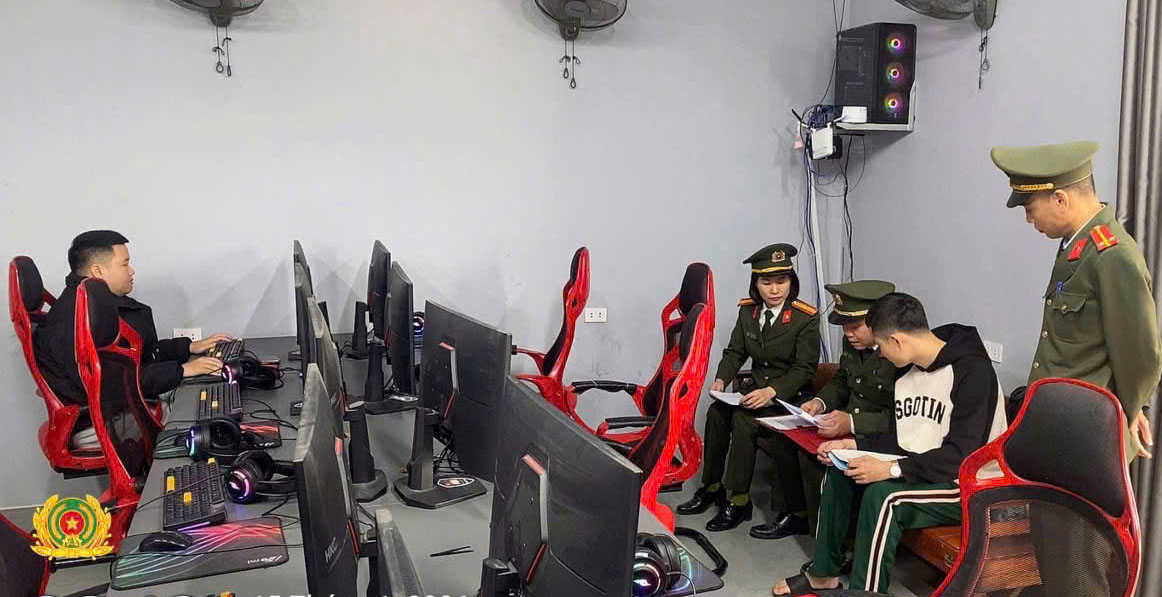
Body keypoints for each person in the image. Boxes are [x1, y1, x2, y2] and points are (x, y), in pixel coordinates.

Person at [992, 140, 1162, 595]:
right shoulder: (1077, 248)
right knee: (1055, 561)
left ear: (1061, 198)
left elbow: (1142, 353)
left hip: (1087, 443)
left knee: (1078, 569)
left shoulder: (1113, 255)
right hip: (1061, 436)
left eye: (1031, 209)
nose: (1029, 220)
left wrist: (1127, 411)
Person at [772, 293, 1007, 595]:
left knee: (885, 497)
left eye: (881, 347)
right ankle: (824, 573)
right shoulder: (907, 370)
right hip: (923, 469)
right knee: (840, 472)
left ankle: (866, 593)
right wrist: (854, 445)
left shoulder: (972, 372)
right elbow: (903, 437)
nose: (880, 356)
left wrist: (892, 469)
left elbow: (962, 456)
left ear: (897, 340)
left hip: (970, 484)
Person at [34, 231, 229, 447]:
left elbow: (134, 356)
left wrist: (188, 347)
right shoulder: (76, 320)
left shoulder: (96, 305)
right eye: (124, 264)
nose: (132, 270)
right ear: (98, 271)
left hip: (122, 406)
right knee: (205, 419)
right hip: (104, 421)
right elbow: (110, 383)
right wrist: (182, 370)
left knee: (205, 397)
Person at [676, 243, 821, 532]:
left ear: (791, 282)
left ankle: (739, 500)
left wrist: (771, 392)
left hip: (786, 397)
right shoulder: (748, 313)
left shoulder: (805, 318)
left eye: (782, 281)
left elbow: (805, 369)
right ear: (756, 284)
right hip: (753, 391)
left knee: (744, 421)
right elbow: (735, 352)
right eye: (767, 282)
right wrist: (721, 378)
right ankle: (712, 487)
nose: (775, 290)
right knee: (717, 413)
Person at [751, 280, 899, 543]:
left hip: (876, 435)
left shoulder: (898, 353)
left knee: (817, 458)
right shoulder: (853, 343)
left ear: (879, 322)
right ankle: (795, 514)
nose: (848, 333)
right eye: (844, 326)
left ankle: (834, 540)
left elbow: (900, 419)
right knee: (786, 440)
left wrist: (851, 422)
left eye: (855, 326)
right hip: (845, 420)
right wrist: (819, 402)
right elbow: (842, 380)